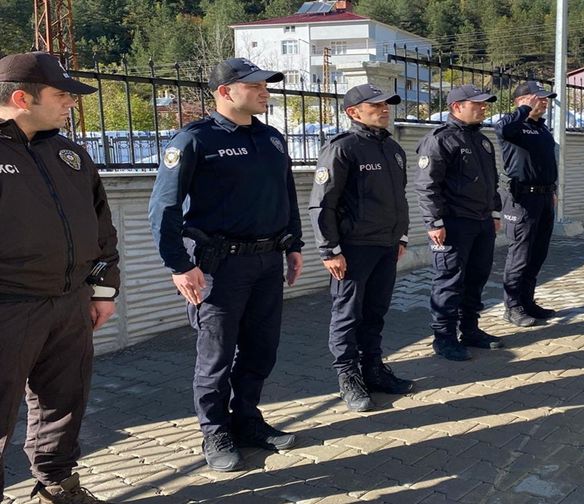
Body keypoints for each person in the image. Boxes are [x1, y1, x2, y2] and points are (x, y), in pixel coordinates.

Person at [148, 57, 303, 472]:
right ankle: (214, 431)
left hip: (267, 261)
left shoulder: (271, 138)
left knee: (261, 350)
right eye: (254, 86)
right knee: (216, 356)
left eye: (266, 85)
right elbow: (164, 207)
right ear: (224, 91)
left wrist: (294, 244)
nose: (264, 92)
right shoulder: (195, 140)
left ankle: (247, 420)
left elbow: (286, 194)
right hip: (220, 267)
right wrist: (179, 265)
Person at [0, 52, 119, 504]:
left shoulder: (69, 154)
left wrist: (103, 290)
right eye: (61, 94)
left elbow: (101, 227)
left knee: (64, 402)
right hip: (9, 307)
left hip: (70, 303)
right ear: (21, 98)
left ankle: (56, 485)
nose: (71, 102)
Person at [309, 83, 414, 412]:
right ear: (353, 112)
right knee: (348, 315)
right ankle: (348, 377)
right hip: (354, 249)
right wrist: (330, 250)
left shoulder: (392, 149)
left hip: (386, 245)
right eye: (376, 105)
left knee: (375, 312)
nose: (384, 110)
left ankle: (373, 369)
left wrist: (401, 237)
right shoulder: (343, 148)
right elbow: (322, 204)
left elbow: (399, 198)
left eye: (386, 105)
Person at [415, 84, 504, 361]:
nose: (483, 107)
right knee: (449, 281)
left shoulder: (482, 140)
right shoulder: (440, 140)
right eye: (477, 103)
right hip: (454, 224)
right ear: (457, 107)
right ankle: (444, 338)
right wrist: (434, 222)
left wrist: (495, 213)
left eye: (484, 103)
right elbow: (427, 185)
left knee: (477, 277)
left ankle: (470, 329)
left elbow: (492, 181)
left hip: (481, 222)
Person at [495, 81, 559, 328]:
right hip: (522, 199)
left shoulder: (541, 129)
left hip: (544, 197)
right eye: (538, 98)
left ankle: (527, 301)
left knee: (537, 253)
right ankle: (512, 307)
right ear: (521, 100)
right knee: (520, 255)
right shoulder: (513, 126)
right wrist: (523, 110)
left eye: (545, 98)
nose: (544, 102)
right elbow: (502, 129)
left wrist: (552, 190)